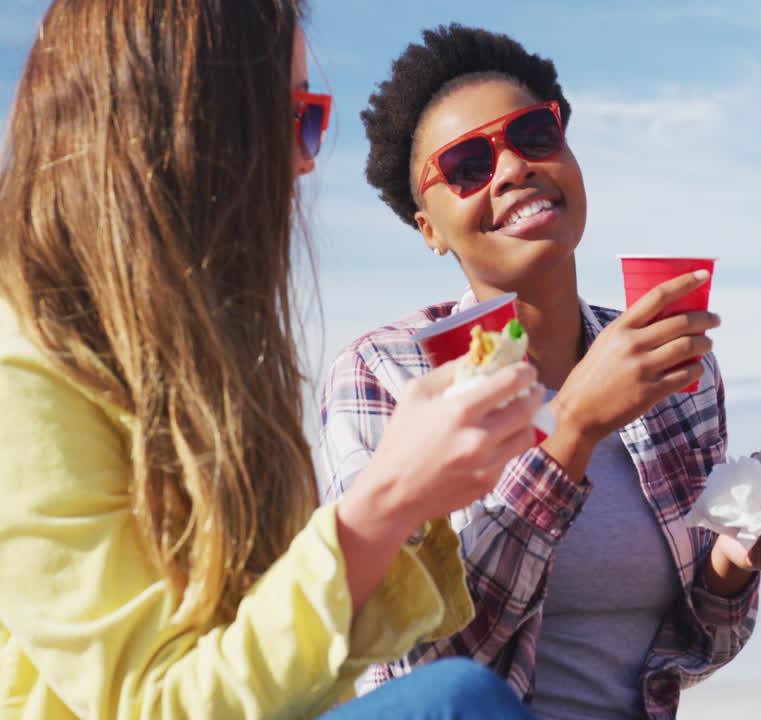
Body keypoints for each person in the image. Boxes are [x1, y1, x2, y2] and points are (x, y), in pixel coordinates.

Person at [0, 2, 539, 718]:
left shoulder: (214, 350)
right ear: (192, 128)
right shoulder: (25, 367)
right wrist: (386, 501)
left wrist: (416, 498)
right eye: (296, 118)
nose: (310, 158)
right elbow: (153, 704)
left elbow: (293, 662)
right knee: (457, 703)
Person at [319, 24, 761, 719]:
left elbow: (690, 653)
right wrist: (574, 426)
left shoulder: (671, 365)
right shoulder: (386, 375)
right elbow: (420, 664)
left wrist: (737, 562)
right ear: (428, 227)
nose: (512, 169)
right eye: (466, 165)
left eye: (531, 134)